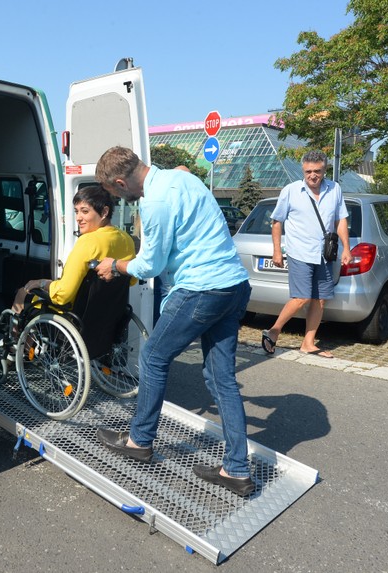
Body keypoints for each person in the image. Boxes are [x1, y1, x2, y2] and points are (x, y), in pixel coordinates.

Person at [92, 146, 255, 497]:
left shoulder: (155, 203)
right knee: (221, 378)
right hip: (234, 286)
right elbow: (180, 172)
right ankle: (236, 469)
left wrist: (116, 266)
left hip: (201, 290)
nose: (119, 199)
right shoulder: (180, 177)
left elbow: (150, 266)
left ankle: (139, 441)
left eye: (115, 192)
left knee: (153, 357)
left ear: (120, 182)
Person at [260, 150, 353, 359]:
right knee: (302, 297)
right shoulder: (291, 190)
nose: (313, 175)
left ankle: (308, 343)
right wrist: (277, 251)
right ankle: (273, 331)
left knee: (320, 300)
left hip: (325, 254)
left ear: (324, 170)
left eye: (317, 171)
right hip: (300, 252)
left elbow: (341, 220)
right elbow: (277, 222)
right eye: (308, 171)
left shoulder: (335, 189)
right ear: (303, 170)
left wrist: (346, 248)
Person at [11, 184, 135, 314]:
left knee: (22, 292)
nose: (78, 218)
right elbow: (132, 280)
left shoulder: (88, 242)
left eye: (85, 211)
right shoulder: (127, 239)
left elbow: (64, 295)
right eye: (76, 211)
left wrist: (41, 283)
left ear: (104, 212)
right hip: (108, 314)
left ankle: (13, 327)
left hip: (73, 314)